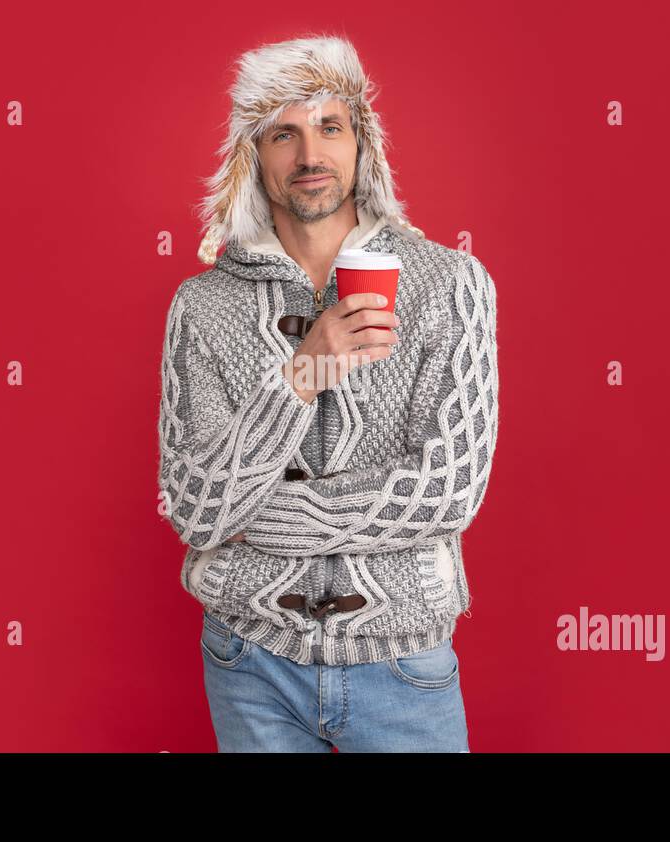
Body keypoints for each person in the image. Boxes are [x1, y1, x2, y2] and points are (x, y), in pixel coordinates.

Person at [157, 34, 500, 752]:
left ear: (361, 144)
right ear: (253, 155)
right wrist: (304, 372)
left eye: (329, 127)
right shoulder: (201, 306)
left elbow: (448, 490)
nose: (309, 155)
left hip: (402, 663)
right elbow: (195, 509)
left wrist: (259, 520)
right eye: (284, 133)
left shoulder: (452, 285)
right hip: (249, 660)